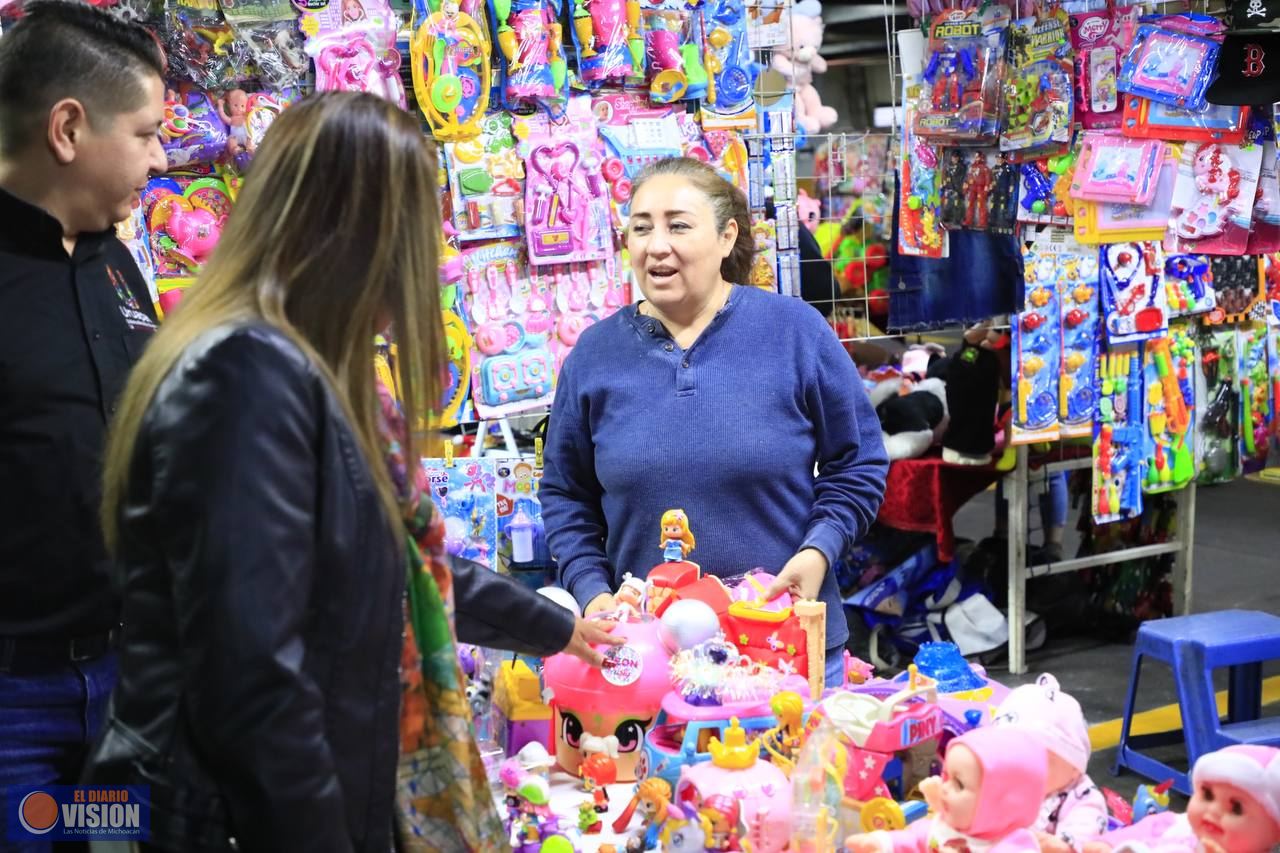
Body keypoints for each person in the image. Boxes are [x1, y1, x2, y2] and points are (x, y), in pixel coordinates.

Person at [84, 92, 615, 853]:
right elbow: (256, 678)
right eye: (418, 220)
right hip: (227, 820)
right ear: (357, 229)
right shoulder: (247, 375)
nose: (434, 251)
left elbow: (389, 569)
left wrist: (560, 628)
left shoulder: (314, 370)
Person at [541, 156, 889, 688]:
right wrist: (595, 593)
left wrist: (819, 550)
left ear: (727, 238)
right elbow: (567, 495)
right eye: (641, 227)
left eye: (678, 225)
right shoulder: (594, 356)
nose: (657, 245)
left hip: (783, 645)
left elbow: (856, 463)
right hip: (645, 658)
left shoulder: (794, 333)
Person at [0, 0, 167, 835]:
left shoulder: (116, 268)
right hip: (14, 707)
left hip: (125, 684)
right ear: (67, 128)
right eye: (144, 133)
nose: (160, 156)